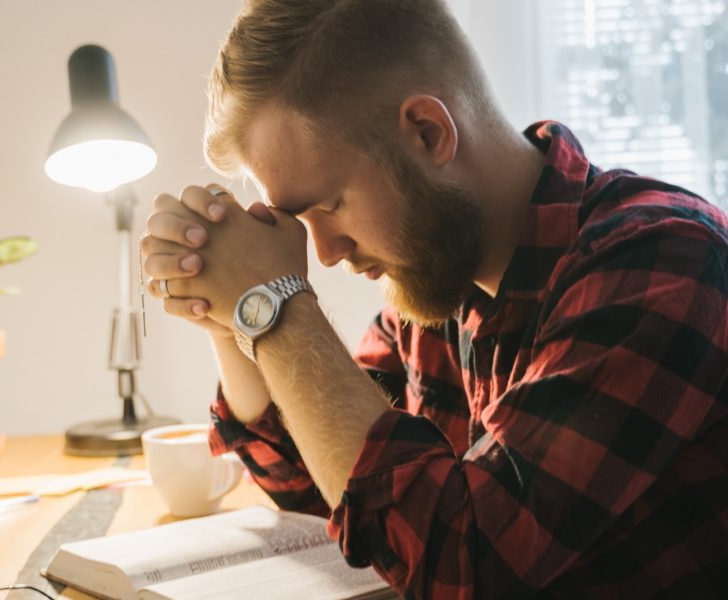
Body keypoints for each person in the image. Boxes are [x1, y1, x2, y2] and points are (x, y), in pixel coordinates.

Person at [140, 0, 728, 597]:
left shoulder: (662, 259)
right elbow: (320, 484)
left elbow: (468, 565)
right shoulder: (438, 283)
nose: (324, 253)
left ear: (428, 132)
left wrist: (270, 302)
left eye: (329, 205)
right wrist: (229, 321)